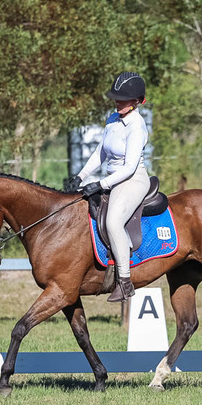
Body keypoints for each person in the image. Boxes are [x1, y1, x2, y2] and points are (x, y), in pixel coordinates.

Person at [65, 72, 150, 302]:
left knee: (113, 222)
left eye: (122, 99)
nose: (117, 101)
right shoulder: (113, 119)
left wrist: (100, 184)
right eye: (116, 98)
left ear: (136, 101)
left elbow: (130, 167)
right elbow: (100, 152)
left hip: (132, 180)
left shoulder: (137, 125)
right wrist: (80, 176)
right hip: (114, 179)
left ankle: (124, 281)